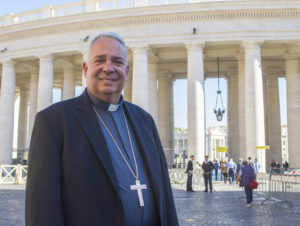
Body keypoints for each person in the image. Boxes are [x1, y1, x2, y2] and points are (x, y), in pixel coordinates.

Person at [25, 32, 179, 226]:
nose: (108, 68)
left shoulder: (145, 120)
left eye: (117, 61)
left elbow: (165, 194)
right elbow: (43, 210)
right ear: (85, 68)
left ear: (127, 71)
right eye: (99, 60)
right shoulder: (53, 121)